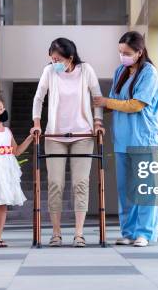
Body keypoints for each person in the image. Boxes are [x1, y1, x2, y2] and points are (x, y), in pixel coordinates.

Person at [31, 38, 105, 247]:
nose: (53, 62)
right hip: (55, 135)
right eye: (51, 58)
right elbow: (39, 98)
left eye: (57, 59)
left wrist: (98, 122)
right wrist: (37, 123)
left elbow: (97, 98)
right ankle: (56, 233)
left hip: (83, 135)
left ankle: (79, 234)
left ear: (70, 58)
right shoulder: (49, 72)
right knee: (55, 184)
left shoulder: (86, 70)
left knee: (80, 184)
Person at [93, 31, 158, 247]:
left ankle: (145, 233)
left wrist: (105, 102)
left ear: (139, 52)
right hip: (122, 139)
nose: (122, 56)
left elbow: (135, 105)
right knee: (126, 189)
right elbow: (114, 102)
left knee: (144, 188)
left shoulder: (149, 73)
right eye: (120, 52)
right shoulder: (120, 71)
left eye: (127, 52)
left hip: (143, 138)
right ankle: (129, 232)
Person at [0, 97, 32, 248]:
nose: (4, 111)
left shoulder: (7, 131)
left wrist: (29, 138)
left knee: (3, 204)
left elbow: (16, 151)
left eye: (3, 108)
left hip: (7, 169)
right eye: (0, 109)